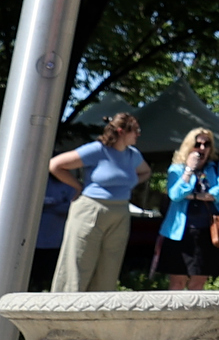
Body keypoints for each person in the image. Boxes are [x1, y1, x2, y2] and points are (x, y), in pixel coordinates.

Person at [47, 113, 147, 294]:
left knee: (109, 266)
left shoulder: (133, 155)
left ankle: (97, 315)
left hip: (120, 212)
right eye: (135, 130)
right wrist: (78, 186)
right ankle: (65, 311)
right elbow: (55, 165)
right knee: (78, 261)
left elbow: (145, 172)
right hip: (90, 209)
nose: (139, 134)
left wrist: (127, 186)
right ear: (120, 131)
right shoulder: (96, 150)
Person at [160, 128, 219, 291]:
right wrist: (189, 170)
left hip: (208, 232)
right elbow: (175, 194)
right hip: (179, 233)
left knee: (198, 283)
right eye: (198, 144)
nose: (202, 148)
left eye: (206, 144)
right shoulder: (177, 168)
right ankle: (174, 316)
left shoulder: (217, 166)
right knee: (177, 282)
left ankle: (193, 317)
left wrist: (195, 196)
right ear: (189, 146)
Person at [30, 172, 75, 294]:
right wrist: (55, 204)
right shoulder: (41, 182)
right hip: (36, 239)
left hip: (56, 240)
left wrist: (50, 205)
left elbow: (72, 206)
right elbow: (35, 202)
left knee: (50, 272)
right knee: (34, 271)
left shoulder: (70, 184)